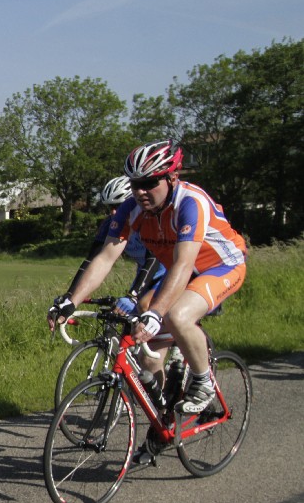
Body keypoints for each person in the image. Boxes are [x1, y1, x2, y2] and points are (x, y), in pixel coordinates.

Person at [48, 140, 247, 419]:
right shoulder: (131, 209)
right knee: (147, 355)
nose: (140, 191)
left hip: (220, 266)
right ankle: (163, 420)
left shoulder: (190, 203)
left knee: (176, 315)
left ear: (172, 177)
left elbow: (183, 264)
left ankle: (203, 382)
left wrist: (157, 312)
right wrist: (71, 301)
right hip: (182, 270)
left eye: (149, 183)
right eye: (135, 184)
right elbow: (105, 258)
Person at [63, 176, 166, 317]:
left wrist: (133, 295)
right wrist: (69, 296)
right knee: (128, 318)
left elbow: (153, 259)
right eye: (110, 207)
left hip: (167, 270)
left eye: (118, 206)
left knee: (144, 306)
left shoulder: (149, 220)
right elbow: (91, 260)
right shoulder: (111, 224)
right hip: (144, 272)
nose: (113, 213)